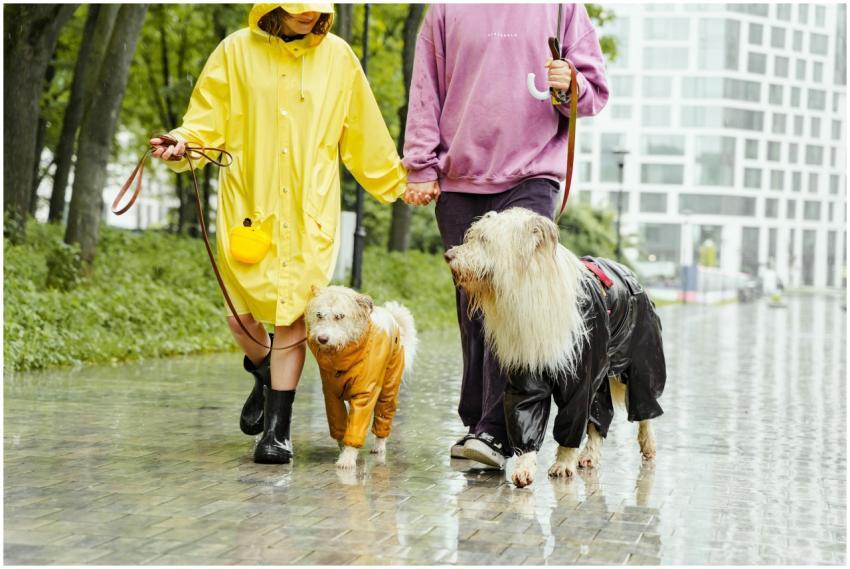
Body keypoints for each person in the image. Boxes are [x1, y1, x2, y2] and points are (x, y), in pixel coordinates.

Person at [151, 3, 414, 464]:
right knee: (240, 318)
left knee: (292, 319)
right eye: (299, 8)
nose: (309, 14)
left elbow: (364, 133)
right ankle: (264, 370)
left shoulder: (338, 57)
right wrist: (182, 144)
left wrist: (400, 183)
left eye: (315, 8)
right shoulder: (235, 51)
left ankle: (277, 433)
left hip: (309, 212)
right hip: (250, 209)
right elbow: (205, 122)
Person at [403, 4, 609, 468]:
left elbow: (593, 93)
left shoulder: (562, 8)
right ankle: (479, 421)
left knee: (518, 303)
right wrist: (420, 164)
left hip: (532, 174)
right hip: (461, 178)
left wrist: (569, 84)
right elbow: (425, 90)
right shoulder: (445, 10)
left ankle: (501, 431)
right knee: (474, 307)